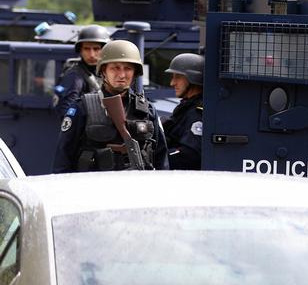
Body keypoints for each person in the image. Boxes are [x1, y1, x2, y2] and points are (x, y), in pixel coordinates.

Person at [53, 40, 168, 173]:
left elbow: (162, 159)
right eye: (115, 68)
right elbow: (63, 157)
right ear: (103, 71)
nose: (122, 75)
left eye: (128, 68)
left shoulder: (148, 110)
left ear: (135, 72)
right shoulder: (83, 107)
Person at [52, 24, 110, 117]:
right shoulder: (75, 77)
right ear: (80, 50)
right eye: (86, 49)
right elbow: (67, 114)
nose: (91, 54)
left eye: (96, 49)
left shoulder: (107, 72)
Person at [162, 53, 204, 170]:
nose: (172, 83)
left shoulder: (197, 113)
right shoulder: (186, 107)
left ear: (193, 78)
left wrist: (157, 159)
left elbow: (190, 154)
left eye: (178, 77)